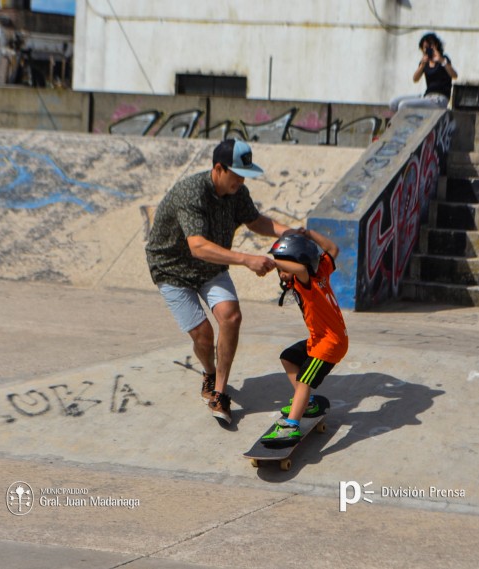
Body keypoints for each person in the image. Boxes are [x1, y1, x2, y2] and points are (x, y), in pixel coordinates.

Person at [145, 139, 293, 425]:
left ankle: (220, 392)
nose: (242, 180)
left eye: (245, 175)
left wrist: (290, 232)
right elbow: (198, 246)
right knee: (203, 334)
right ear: (218, 168)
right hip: (172, 269)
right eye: (237, 174)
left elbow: (256, 221)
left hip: (210, 268)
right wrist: (247, 259)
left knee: (231, 316)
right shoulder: (192, 193)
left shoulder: (238, 193)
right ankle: (209, 373)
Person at [261, 229, 348, 444]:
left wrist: (273, 262)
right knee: (288, 357)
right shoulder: (322, 270)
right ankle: (307, 403)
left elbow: (299, 268)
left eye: (283, 267)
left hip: (330, 344)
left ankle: (291, 426)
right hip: (319, 338)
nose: (281, 273)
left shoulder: (306, 281)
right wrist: (308, 234)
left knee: (304, 380)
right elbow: (333, 249)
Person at [388, 32, 458, 113]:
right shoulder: (425, 63)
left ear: (436, 45)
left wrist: (441, 60)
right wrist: (422, 65)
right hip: (427, 96)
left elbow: (454, 75)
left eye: (431, 46)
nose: (428, 49)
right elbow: (415, 79)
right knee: (394, 102)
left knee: (404, 105)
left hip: (439, 99)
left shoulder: (444, 59)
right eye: (425, 47)